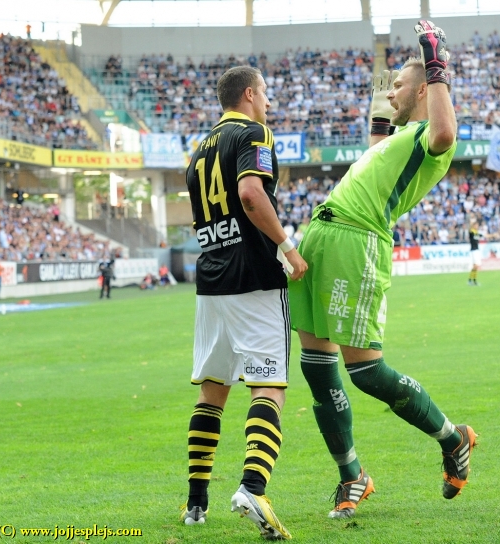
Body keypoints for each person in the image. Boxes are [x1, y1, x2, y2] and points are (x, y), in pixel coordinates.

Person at [288, 20, 477, 520]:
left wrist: (434, 61)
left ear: (421, 90)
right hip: (322, 236)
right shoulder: (399, 139)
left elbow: (443, 129)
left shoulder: (429, 138)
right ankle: (352, 476)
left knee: (366, 370)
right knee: (315, 366)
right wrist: (381, 115)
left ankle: (452, 436)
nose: (388, 91)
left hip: (358, 243)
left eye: (397, 86)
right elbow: (374, 154)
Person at [180, 65, 307, 541]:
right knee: (269, 386)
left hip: (211, 279)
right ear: (250, 94)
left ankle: (196, 502)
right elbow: (251, 194)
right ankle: (253, 488)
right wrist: (287, 246)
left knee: (212, 390)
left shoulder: (197, 153)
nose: (269, 102)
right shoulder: (254, 133)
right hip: (253, 276)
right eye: (267, 93)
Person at [468, 220, 482, 286]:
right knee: (476, 265)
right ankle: (472, 281)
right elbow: (470, 229)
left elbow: (483, 236)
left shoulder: (476, 232)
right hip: (474, 250)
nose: (477, 226)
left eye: (477, 225)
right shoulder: (472, 232)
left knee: (475, 266)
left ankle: (472, 280)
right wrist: (471, 223)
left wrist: (493, 235)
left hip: (476, 250)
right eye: (476, 225)